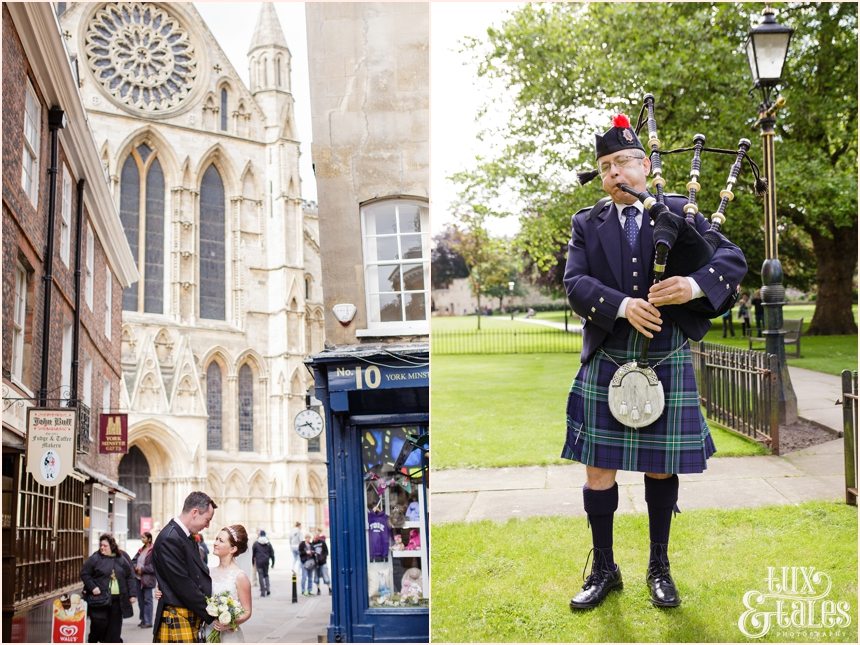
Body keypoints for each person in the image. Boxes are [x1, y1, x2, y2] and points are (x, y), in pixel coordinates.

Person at [562, 113, 746, 610]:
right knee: (598, 469)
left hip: (665, 356)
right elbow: (575, 283)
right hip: (608, 355)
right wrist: (623, 305)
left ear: (645, 165)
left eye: (624, 162)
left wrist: (692, 285)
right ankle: (604, 568)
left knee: (661, 469)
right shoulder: (587, 222)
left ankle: (658, 568)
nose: (615, 173)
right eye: (606, 167)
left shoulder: (682, 212)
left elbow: (732, 261)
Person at [151, 491, 227, 642]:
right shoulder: (170, 538)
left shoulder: (183, 536)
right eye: (207, 520)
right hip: (178, 615)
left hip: (188, 614)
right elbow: (183, 584)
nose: (207, 525)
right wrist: (212, 614)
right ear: (195, 512)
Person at [80, 533, 137, 642]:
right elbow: (84, 574)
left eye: (105, 546)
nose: (102, 548)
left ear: (112, 546)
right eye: (101, 545)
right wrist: (93, 587)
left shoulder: (121, 558)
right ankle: (94, 640)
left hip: (117, 600)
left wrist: (132, 594)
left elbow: (130, 576)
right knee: (99, 624)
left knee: (114, 627)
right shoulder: (95, 558)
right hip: (100, 599)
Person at [203, 525, 253, 642]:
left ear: (233, 549)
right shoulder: (209, 571)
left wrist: (229, 623)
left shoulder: (240, 576)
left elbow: (247, 611)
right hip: (208, 632)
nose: (215, 543)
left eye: (221, 541)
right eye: (216, 539)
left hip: (230, 637)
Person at [132, 531, 156, 629]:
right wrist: (135, 567)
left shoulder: (153, 551)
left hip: (147, 579)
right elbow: (133, 560)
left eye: (144, 537)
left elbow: (154, 566)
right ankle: (143, 619)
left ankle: (148, 621)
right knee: (141, 601)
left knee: (147, 600)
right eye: (141, 537)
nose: (142, 539)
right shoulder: (141, 550)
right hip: (138, 578)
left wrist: (142, 569)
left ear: (149, 539)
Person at [251, 530, 275, 597]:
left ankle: (263, 592)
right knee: (266, 575)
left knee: (260, 575)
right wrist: (273, 563)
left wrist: (253, 562)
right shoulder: (268, 543)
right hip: (266, 561)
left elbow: (253, 554)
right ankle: (268, 589)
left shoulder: (256, 543)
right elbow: (272, 554)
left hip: (259, 562)